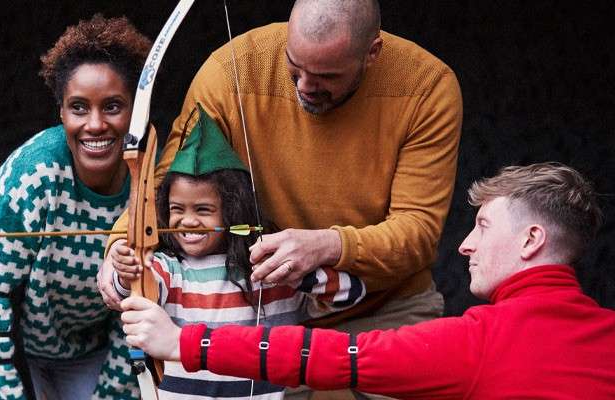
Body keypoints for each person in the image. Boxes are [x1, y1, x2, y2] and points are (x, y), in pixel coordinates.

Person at [100, 0, 462, 396]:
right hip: (276, 312)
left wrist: (326, 245)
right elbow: (172, 178)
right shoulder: (234, 67)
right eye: (293, 67)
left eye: (326, 75)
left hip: (387, 308)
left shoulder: (426, 86)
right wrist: (123, 243)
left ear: (372, 53)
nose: (304, 86)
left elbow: (419, 232)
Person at [120, 162, 615, 399]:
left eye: (482, 226)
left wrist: (184, 342)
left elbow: (329, 357)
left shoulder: (478, 342)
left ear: (531, 241)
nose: (464, 245)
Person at [0, 15, 150, 400]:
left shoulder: (149, 174)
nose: (96, 124)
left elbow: (139, 304)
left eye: (113, 106)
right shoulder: (31, 177)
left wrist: (113, 394)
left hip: (83, 346)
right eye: (79, 108)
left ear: (135, 110)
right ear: (62, 114)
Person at [110, 105, 367, 399]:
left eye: (204, 210)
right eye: (177, 209)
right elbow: (131, 293)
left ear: (232, 212)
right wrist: (127, 268)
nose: (188, 220)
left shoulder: (269, 270)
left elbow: (352, 294)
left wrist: (295, 274)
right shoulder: (169, 270)